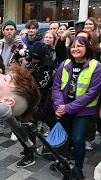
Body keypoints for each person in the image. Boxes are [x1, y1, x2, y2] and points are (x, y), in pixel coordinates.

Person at [53, 36, 101, 178]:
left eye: (80, 46)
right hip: (63, 108)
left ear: (87, 48)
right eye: (73, 46)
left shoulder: (96, 66)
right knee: (64, 138)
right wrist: (59, 105)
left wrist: (68, 108)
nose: (75, 48)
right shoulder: (65, 63)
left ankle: (78, 168)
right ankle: (63, 163)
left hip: (83, 111)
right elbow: (56, 87)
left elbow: (92, 93)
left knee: (78, 139)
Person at [11, 41, 55, 168]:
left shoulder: (48, 65)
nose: (32, 60)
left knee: (30, 126)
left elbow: (40, 84)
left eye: (36, 58)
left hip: (40, 102)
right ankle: (28, 150)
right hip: (26, 99)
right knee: (19, 125)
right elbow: (11, 67)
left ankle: (30, 155)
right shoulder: (30, 57)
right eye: (31, 56)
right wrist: (17, 55)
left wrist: (23, 77)